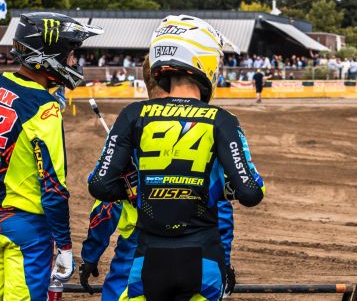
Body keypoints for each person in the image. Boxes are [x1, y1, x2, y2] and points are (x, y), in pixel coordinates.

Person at [88, 14, 264, 301]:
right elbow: (251, 191)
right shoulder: (221, 120)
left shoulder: (133, 114)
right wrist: (216, 187)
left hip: (146, 258)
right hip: (204, 259)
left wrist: (139, 187)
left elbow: (99, 184)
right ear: (204, 60)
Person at [80, 57, 238, 299]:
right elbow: (221, 209)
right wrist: (223, 262)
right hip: (197, 254)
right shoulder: (206, 132)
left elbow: (104, 208)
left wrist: (91, 255)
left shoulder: (132, 130)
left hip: (135, 258)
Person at [0, 12, 102, 300]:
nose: (74, 62)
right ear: (48, 56)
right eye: (70, 55)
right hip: (24, 231)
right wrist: (65, 245)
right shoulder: (45, 109)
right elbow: (54, 187)